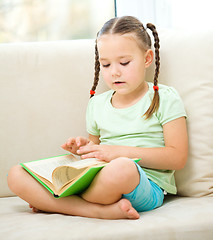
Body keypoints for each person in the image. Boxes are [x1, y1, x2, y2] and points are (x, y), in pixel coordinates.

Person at [7, 16, 188, 220]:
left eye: (124, 62)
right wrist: (83, 148)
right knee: (16, 175)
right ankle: (96, 210)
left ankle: (57, 202)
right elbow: (94, 156)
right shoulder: (97, 104)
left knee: (122, 167)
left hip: (143, 183)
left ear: (147, 58)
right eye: (106, 65)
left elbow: (177, 157)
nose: (115, 72)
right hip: (100, 179)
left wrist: (118, 153)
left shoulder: (164, 97)